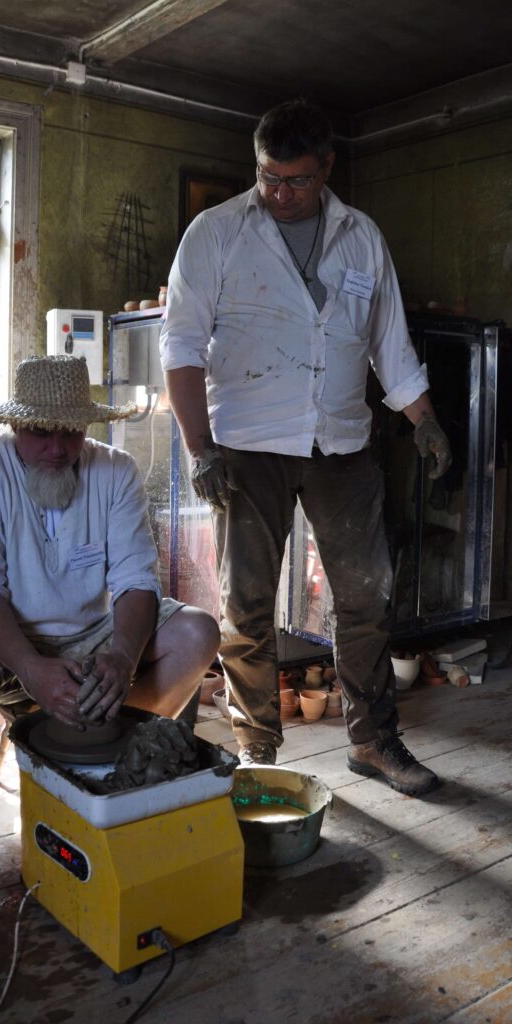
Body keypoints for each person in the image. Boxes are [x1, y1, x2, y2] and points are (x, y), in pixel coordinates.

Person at [160, 98, 451, 794]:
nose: (280, 194)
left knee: (366, 595)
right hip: (246, 446)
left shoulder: (360, 236)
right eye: (267, 177)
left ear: (327, 167)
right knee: (247, 606)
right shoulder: (217, 232)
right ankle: (258, 750)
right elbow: (180, 345)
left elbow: (389, 343)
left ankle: (373, 741)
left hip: (342, 442)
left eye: (296, 180)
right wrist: (199, 447)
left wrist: (426, 420)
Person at [0, 354, 219, 923]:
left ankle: (101, 764)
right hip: (1, 637)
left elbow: (137, 582)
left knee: (199, 631)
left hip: (94, 638)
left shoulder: (113, 471)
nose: (56, 448)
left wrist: (121, 654)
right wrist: (32, 668)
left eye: (69, 431)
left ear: (86, 426)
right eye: (40, 431)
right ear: (15, 425)